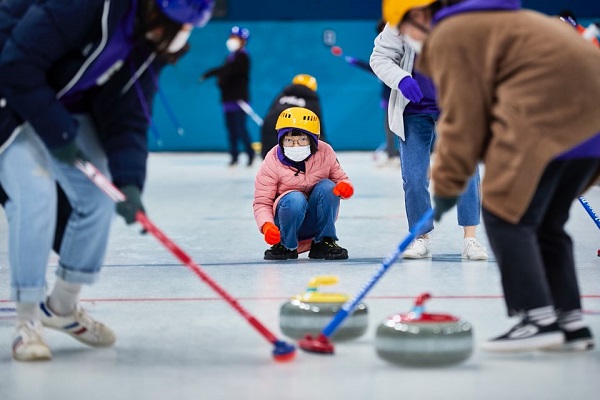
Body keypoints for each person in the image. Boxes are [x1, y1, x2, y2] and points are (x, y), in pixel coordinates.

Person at [0, 0, 215, 362]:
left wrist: (130, 183)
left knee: (99, 195)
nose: (184, 35)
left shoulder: (149, 45)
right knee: (36, 193)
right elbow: (16, 65)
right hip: (10, 87)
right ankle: (27, 321)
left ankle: (63, 305)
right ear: (154, 11)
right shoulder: (85, 6)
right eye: (180, 25)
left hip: (59, 99)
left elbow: (129, 115)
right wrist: (58, 135)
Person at [414, 0, 600, 352]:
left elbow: (461, 116)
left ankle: (537, 317)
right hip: (593, 131)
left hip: (551, 124)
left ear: (420, 15)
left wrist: (448, 184)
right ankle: (570, 323)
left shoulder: (452, 31)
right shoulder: (515, 21)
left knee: (504, 213)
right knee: (546, 224)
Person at [370, 0, 488, 260]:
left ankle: (471, 238)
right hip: (413, 110)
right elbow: (379, 57)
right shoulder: (402, 19)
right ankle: (420, 236)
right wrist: (401, 79)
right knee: (413, 177)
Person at [253, 107, 353, 261]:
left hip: (315, 218)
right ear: (281, 140)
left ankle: (324, 241)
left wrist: (345, 187)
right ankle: (285, 245)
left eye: (302, 140)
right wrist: (267, 225)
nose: (295, 146)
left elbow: (341, 180)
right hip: (287, 219)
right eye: (289, 140)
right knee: (295, 198)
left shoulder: (325, 152)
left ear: (313, 140)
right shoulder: (271, 160)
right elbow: (262, 202)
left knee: (328, 187)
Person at [199, 26, 255, 167]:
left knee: (240, 128)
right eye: (231, 37)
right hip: (228, 100)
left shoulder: (243, 57)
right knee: (231, 130)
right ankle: (234, 156)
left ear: (243, 41)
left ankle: (250, 154)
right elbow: (225, 72)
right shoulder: (230, 57)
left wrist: (212, 74)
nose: (231, 40)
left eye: (235, 38)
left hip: (239, 100)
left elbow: (229, 72)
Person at [260, 74, 326, 159]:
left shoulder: (283, 94)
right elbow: (317, 122)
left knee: (269, 158)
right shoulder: (311, 99)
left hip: (269, 125)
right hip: (293, 129)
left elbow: (271, 111)